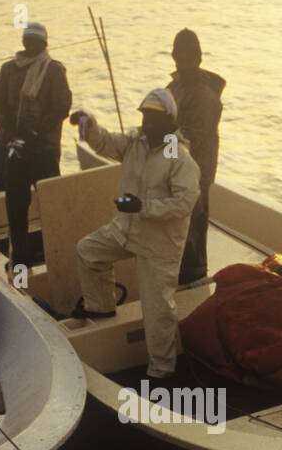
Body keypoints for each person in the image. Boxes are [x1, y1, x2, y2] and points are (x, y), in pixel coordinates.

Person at [72, 90, 200, 379]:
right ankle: (101, 305)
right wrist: (87, 123)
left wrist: (143, 207)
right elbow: (104, 142)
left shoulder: (177, 155)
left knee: (157, 312)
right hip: (126, 229)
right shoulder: (135, 143)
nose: (148, 124)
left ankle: (162, 372)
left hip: (159, 244)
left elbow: (184, 202)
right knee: (88, 251)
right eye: (145, 117)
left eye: (155, 118)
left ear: (170, 122)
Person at [0, 22, 72, 275]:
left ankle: (59, 257)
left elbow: (62, 107)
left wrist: (35, 134)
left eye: (37, 41)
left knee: (51, 205)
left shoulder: (54, 70)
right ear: (23, 42)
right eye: (28, 40)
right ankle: (21, 261)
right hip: (15, 147)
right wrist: (13, 133)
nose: (32, 45)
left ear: (45, 44)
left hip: (43, 148)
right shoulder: (8, 69)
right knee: (15, 204)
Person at [166, 29, 225, 286]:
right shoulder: (174, 86)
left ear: (199, 59)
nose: (185, 63)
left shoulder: (204, 95)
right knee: (176, 226)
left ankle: (195, 278)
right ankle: (178, 272)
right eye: (181, 57)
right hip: (174, 168)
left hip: (197, 170)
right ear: (174, 57)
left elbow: (192, 137)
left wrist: (160, 144)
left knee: (193, 225)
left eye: (191, 58)